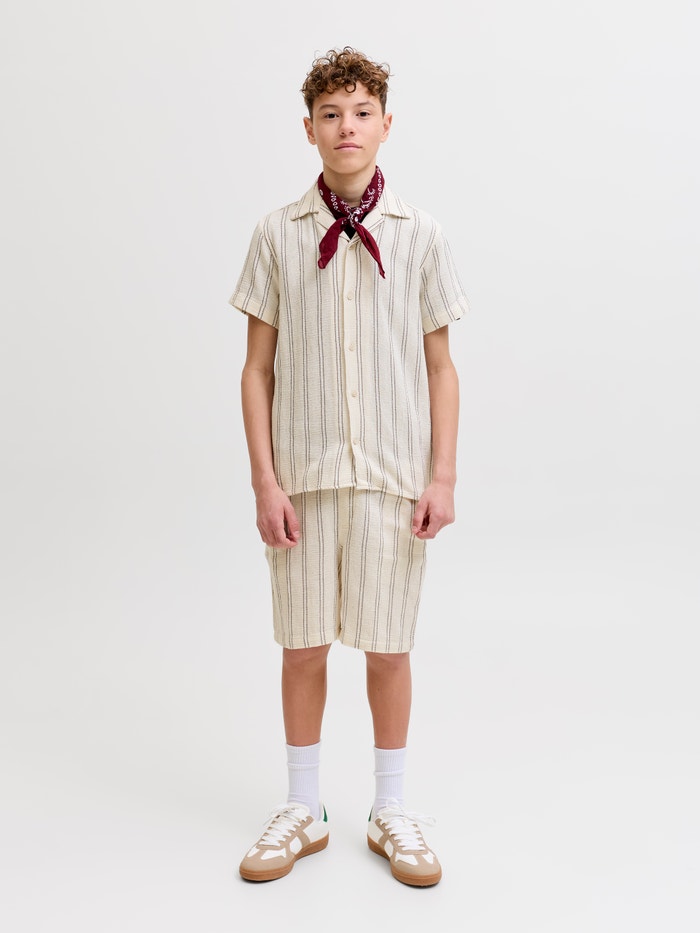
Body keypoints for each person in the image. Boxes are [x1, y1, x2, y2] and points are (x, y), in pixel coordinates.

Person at [229, 47, 468, 887]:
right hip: (303, 480)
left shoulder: (420, 235)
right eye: (330, 114)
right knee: (301, 647)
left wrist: (442, 476)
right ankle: (304, 805)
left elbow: (441, 365)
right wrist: (265, 480)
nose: (346, 127)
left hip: (393, 481)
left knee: (388, 648)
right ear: (309, 130)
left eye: (362, 112)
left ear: (386, 124)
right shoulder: (277, 234)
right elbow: (256, 368)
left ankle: (390, 806)